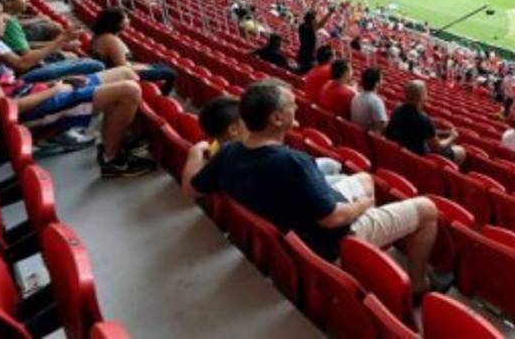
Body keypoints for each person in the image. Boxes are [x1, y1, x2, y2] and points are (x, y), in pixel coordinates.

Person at [182, 80, 442, 295]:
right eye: (291, 105)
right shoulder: (294, 163)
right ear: (276, 118)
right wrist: (363, 205)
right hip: (330, 241)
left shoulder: (228, 152)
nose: (296, 107)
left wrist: (196, 151)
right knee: (428, 208)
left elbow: (191, 188)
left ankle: (375, 251)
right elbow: (332, 218)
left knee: (366, 179)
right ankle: (417, 284)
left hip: (298, 225)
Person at [0, 0, 153, 177]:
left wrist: (56, 83)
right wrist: (54, 90)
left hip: (33, 93)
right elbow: (4, 109)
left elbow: (9, 89)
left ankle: (114, 136)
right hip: (29, 114)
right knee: (129, 90)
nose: (4, 19)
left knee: (125, 73)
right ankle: (112, 160)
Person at [88, 7, 177, 92]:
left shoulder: (101, 36)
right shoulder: (111, 40)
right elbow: (122, 68)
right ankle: (161, 97)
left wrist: (142, 66)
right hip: (120, 75)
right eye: (126, 18)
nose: (129, 20)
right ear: (118, 23)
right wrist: (142, 67)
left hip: (118, 69)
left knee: (162, 65)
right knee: (171, 73)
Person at [385, 80, 465, 164]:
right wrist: (452, 137)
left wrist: (443, 133)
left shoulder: (397, 109)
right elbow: (437, 147)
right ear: (420, 97)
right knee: (461, 151)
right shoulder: (423, 119)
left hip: (402, 153)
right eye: (426, 92)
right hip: (420, 158)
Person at [349, 67, 387, 134]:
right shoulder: (376, 101)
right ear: (377, 84)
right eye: (381, 79)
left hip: (357, 136)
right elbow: (382, 129)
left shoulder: (355, 98)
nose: (383, 81)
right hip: (369, 139)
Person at [297, 7, 335, 73]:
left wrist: (313, 14)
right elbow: (321, 24)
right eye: (315, 19)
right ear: (312, 21)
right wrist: (330, 13)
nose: (316, 21)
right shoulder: (311, 30)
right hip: (308, 58)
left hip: (301, 53)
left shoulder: (302, 27)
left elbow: (315, 23)